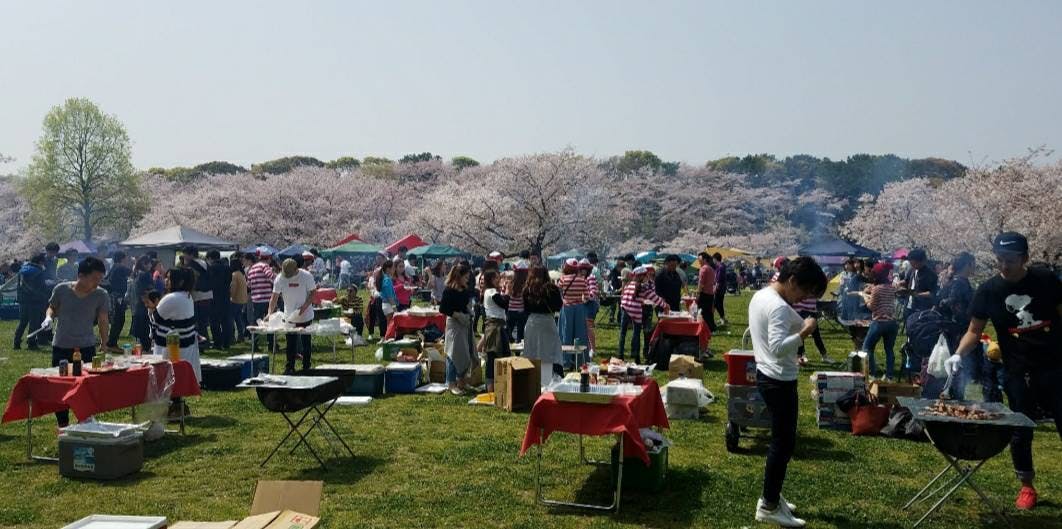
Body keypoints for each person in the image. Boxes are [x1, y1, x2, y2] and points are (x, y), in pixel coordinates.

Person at [945, 232, 1061, 511]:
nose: (1004, 266)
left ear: (1025, 258)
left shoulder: (1046, 280)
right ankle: (1026, 486)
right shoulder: (989, 290)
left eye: (1010, 260)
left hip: (1055, 365)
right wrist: (958, 354)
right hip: (1017, 369)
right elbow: (975, 330)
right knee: (1021, 428)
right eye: (1000, 260)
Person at [748, 256, 827, 528]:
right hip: (778, 379)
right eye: (805, 291)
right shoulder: (778, 307)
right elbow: (778, 348)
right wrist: (805, 331)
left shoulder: (762, 295)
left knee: (781, 442)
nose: (804, 298)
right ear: (792, 281)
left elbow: (784, 321)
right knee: (782, 444)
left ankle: (772, 494)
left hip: (767, 375)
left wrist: (802, 322)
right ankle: (768, 505)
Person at [44, 256, 111, 427]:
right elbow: (52, 306)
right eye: (94, 278)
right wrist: (48, 317)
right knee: (61, 385)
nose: (97, 283)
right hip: (62, 345)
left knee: (86, 385)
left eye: (100, 279)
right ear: (81, 275)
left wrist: (104, 343)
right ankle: (63, 424)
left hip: (86, 346)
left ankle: (85, 421)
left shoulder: (101, 295)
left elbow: (103, 319)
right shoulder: (61, 289)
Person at [149, 267, 201, 380]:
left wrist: (153, 308)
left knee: (166, 379)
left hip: (169, 348)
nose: (166, 280)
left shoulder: (171, 298)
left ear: (180, 282)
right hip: (184, 345)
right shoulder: (187, 296)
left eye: (169, 278)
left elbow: (155, 318)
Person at [937, 252, 976, 397]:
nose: (975, 267)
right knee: (958, 368)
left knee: (956, 368)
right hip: (958, 331)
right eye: (973, 264)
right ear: (967, 265)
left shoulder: (954, 281)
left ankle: (952, 394)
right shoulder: (960, 283)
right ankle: (954, 397)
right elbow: (954, 303)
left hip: (952, 330)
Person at [268, 258, 316, 374]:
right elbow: (274, 297)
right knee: (290, 343)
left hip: (305, 315)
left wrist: (304, 306)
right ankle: (290, 367)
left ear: (296, 269)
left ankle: (306, 366)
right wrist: (269, 313)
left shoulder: (306, 276)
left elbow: (313, 293)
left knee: (306, 342)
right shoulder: (280, 278)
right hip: (289, 315)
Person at [618, 266, 670, 364]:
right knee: (636, 334)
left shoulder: (629, 284)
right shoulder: (643, 287)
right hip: (635, 310)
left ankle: (620, 355)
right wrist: (665, 305)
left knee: (623, 333)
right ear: (642, 276)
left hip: (624, 308)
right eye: (646, 275)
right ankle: (636, 357)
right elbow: (654, 298)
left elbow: (625, 296)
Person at [522, 265, 564, 385]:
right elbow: (558, 306)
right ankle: (547, 381)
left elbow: (525, 308)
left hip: (532, 322)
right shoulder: (552, 288)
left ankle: (531, 383)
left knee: (532, 352)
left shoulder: (527, 289)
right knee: (549, 353)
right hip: (547, 321)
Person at [440, 263, 474, 395]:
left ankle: (462, 381)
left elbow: (464, 305)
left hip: (464, 323)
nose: (467, 280)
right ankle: (451, 383)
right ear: (459, 277)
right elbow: (443, 308)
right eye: (465, 277)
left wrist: (468, 312)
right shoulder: (448, 290)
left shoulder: (464, 290)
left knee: (465, 352)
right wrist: (457, 315)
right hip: (453, 323)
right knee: (452, 352)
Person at [862, 262, 900, 380]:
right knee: (889, 350)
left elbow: (872, 307)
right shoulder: (892, 288)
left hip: (879, 322)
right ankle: (889, 376)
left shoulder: (877, 289)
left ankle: (872, 374)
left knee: (867, 348)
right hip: (892, 323)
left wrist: (865, 297)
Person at [481, 270, 510, 392]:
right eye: (497, 278)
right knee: (493, 356)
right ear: (492, 279)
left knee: (502, 355)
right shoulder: (491, 291)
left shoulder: (491, 292)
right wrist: (507, 291)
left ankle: (500, 385)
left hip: (498, 326)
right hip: (495, 328)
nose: (499, 280)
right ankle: (491, 388)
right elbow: (503, 303)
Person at [13, 253, 50, 350]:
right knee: (34, 323)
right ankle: (31, 343)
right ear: (40, 262)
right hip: (35, 301)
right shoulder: (39, 271)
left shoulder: (22, 269)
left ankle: (16, 342)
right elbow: (42, 286)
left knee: (23, 322)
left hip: (23, 300)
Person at [556, 258, 588, 368]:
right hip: (579, 308)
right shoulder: (582, 279)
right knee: (580, 335)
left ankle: (565, 361)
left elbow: (558, 291)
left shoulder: (563, 279)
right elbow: (587, 296)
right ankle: (580, 361)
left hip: (567, 308)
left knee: (566, 333)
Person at [180, 246, 213, 349]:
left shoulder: (193, 265)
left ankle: (202, 343)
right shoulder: (204, 263)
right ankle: (205, 341)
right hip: (207, 294)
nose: (184, 256)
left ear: (191, 254)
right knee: (203, 321)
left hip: (199, 296)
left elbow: (192, 280)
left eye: (185, 254)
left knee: (199, 321)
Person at [246, 248, 275, 353]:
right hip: (267, 299)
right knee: (271, 322)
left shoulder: (252, 268)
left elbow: (249, 285)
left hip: (256, 299)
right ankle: (271, 345)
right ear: (269, 258)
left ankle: (254, 345)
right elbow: (272, 277)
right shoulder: (265, 266)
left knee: (256, 323)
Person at [101, 251, 132, 349]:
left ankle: (111, 342)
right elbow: (132, 273)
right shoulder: (120, 267)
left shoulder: (113, 267)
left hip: (113, 296)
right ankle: (112, 343)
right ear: (122, 258)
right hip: (118, 297)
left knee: (118, 320)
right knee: (119, 320)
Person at [130, 255, 157, 352]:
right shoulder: (145, 275)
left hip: (138, 306)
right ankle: (146, 349)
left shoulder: (137, 274)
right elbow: (147, 291)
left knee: (141, 332)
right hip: (145, 305)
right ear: (144, 263)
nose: (151, 265)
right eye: (149, 263)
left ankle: (142, 349)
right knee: (146, 330)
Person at [902, 248, 939, 319]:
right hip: (908, 305)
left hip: (921, 308)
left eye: (915, 264)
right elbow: (906, 281)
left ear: (923, 261)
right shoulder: (912, 270)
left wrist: (918, 294)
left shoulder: (931, 275)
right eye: (911, 264)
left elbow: (932, 293)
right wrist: (899, 284)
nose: (913, 265)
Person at [206, 250, 232, 349]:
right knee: (226, 321)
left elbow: (210, 282)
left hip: (214, 297)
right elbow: (229, 281)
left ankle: (218, 342)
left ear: (210, 258)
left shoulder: (211, 268)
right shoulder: (227, 268)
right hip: (225, 296)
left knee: (214, 321)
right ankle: (227, 342)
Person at [580, 258, 600, 358]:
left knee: (589, 328)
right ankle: (588, 348)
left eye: (585, 268)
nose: (583, 270)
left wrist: (586, 297)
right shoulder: (580, 278)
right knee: (585, 327)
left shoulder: (591, 277)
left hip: (590, 304)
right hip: (584, 304)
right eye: (582, 268)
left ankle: (593, 349)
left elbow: (593, 291)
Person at [506, 262, 529, 342]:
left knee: (509, 330)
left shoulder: (511, 283)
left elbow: (508, 295)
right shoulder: (526, 284)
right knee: (520, 332)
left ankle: (509, 344)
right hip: (521, 310)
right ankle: (519, 346)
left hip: (511, 310)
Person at [229, 256, 249, 344]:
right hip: (242, 299)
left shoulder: (234, 274)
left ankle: (232, 336)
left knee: (231, 319)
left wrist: (230, 297)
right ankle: (241, 336)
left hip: (236, 299)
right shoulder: (241, 273)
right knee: (238, 318)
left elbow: (233, 288)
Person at [697, 252, 718, 334]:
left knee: (702, 312)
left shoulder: (703, 269)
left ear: (704, 259)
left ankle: (703, 328)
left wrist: (698, 293)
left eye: (699, 258)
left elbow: (701, 283)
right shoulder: (711, 269)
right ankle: (711, 327)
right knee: (709, 312)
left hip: (704, 293)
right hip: (710, 293)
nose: (698, 260)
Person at [714, 253, 729, 326]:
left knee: (717, 304)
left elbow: (718, 280)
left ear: (715, 259)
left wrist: (715, 288)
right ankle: (722, 318)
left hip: (720, 288)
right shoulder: (720, 266)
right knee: (719, 303)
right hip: (722, 287)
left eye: (713, 259)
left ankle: (722, 318)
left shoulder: (720, 267)